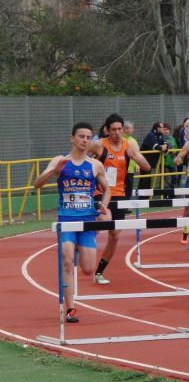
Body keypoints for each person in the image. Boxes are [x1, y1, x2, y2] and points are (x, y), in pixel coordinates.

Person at [34, 122, 112, 323]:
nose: (85, 140)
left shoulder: (95, 165)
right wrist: (53, 170)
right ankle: (70, 308)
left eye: (88, 137)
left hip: (87, 220)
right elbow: (37, 184)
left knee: (88, 269)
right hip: (67, 219)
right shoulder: (60, 161)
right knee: (67, 261)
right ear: (72, 138)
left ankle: (78, 246)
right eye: (81, 136)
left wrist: (103, 205)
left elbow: (107, 189)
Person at [88, 113, 151, 285]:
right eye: (113, 129)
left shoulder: (128, 146)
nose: (117, 132)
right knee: (105, 219)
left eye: (119, 129)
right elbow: (79, 155)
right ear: (107, 130)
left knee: (115, 235)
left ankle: (99, 272)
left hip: (119, 194)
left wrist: (136, 158)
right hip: (100, 192)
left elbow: (147, 167)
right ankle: (85, 237)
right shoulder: (99, 145)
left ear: (123, 129)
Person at [138, 122, 169, 192]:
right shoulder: (150, 136)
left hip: (151, 162)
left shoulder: (160, 136)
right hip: (144, 161)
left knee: (148, 179)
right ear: (157, 128)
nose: (164, 129)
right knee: (145, 180)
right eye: (162, 128)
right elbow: (155, 147)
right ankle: (143, 196)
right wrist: (162, 147)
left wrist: (164, 146)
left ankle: (146, 196)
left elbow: (165, 144)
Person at [122, 121, 140, 197]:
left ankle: (127, 202)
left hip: (130, 170)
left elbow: (137, 153)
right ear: (125, 129)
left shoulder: (133, 140)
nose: (133, 130)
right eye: (132, 128)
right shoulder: (119, 139)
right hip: (120, 169)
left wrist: (137, 164)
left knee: (129, 188)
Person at [162, 123, 178, 189]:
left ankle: (172, 189)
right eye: (164, 129)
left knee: (175, 177)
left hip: (172, 161)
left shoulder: (172, 139)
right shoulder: (160, 138)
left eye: (167, 129)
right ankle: (165, 192)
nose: (166, 131)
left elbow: (176, 148)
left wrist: (174, 151)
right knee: (164, 178)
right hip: (163, 162)